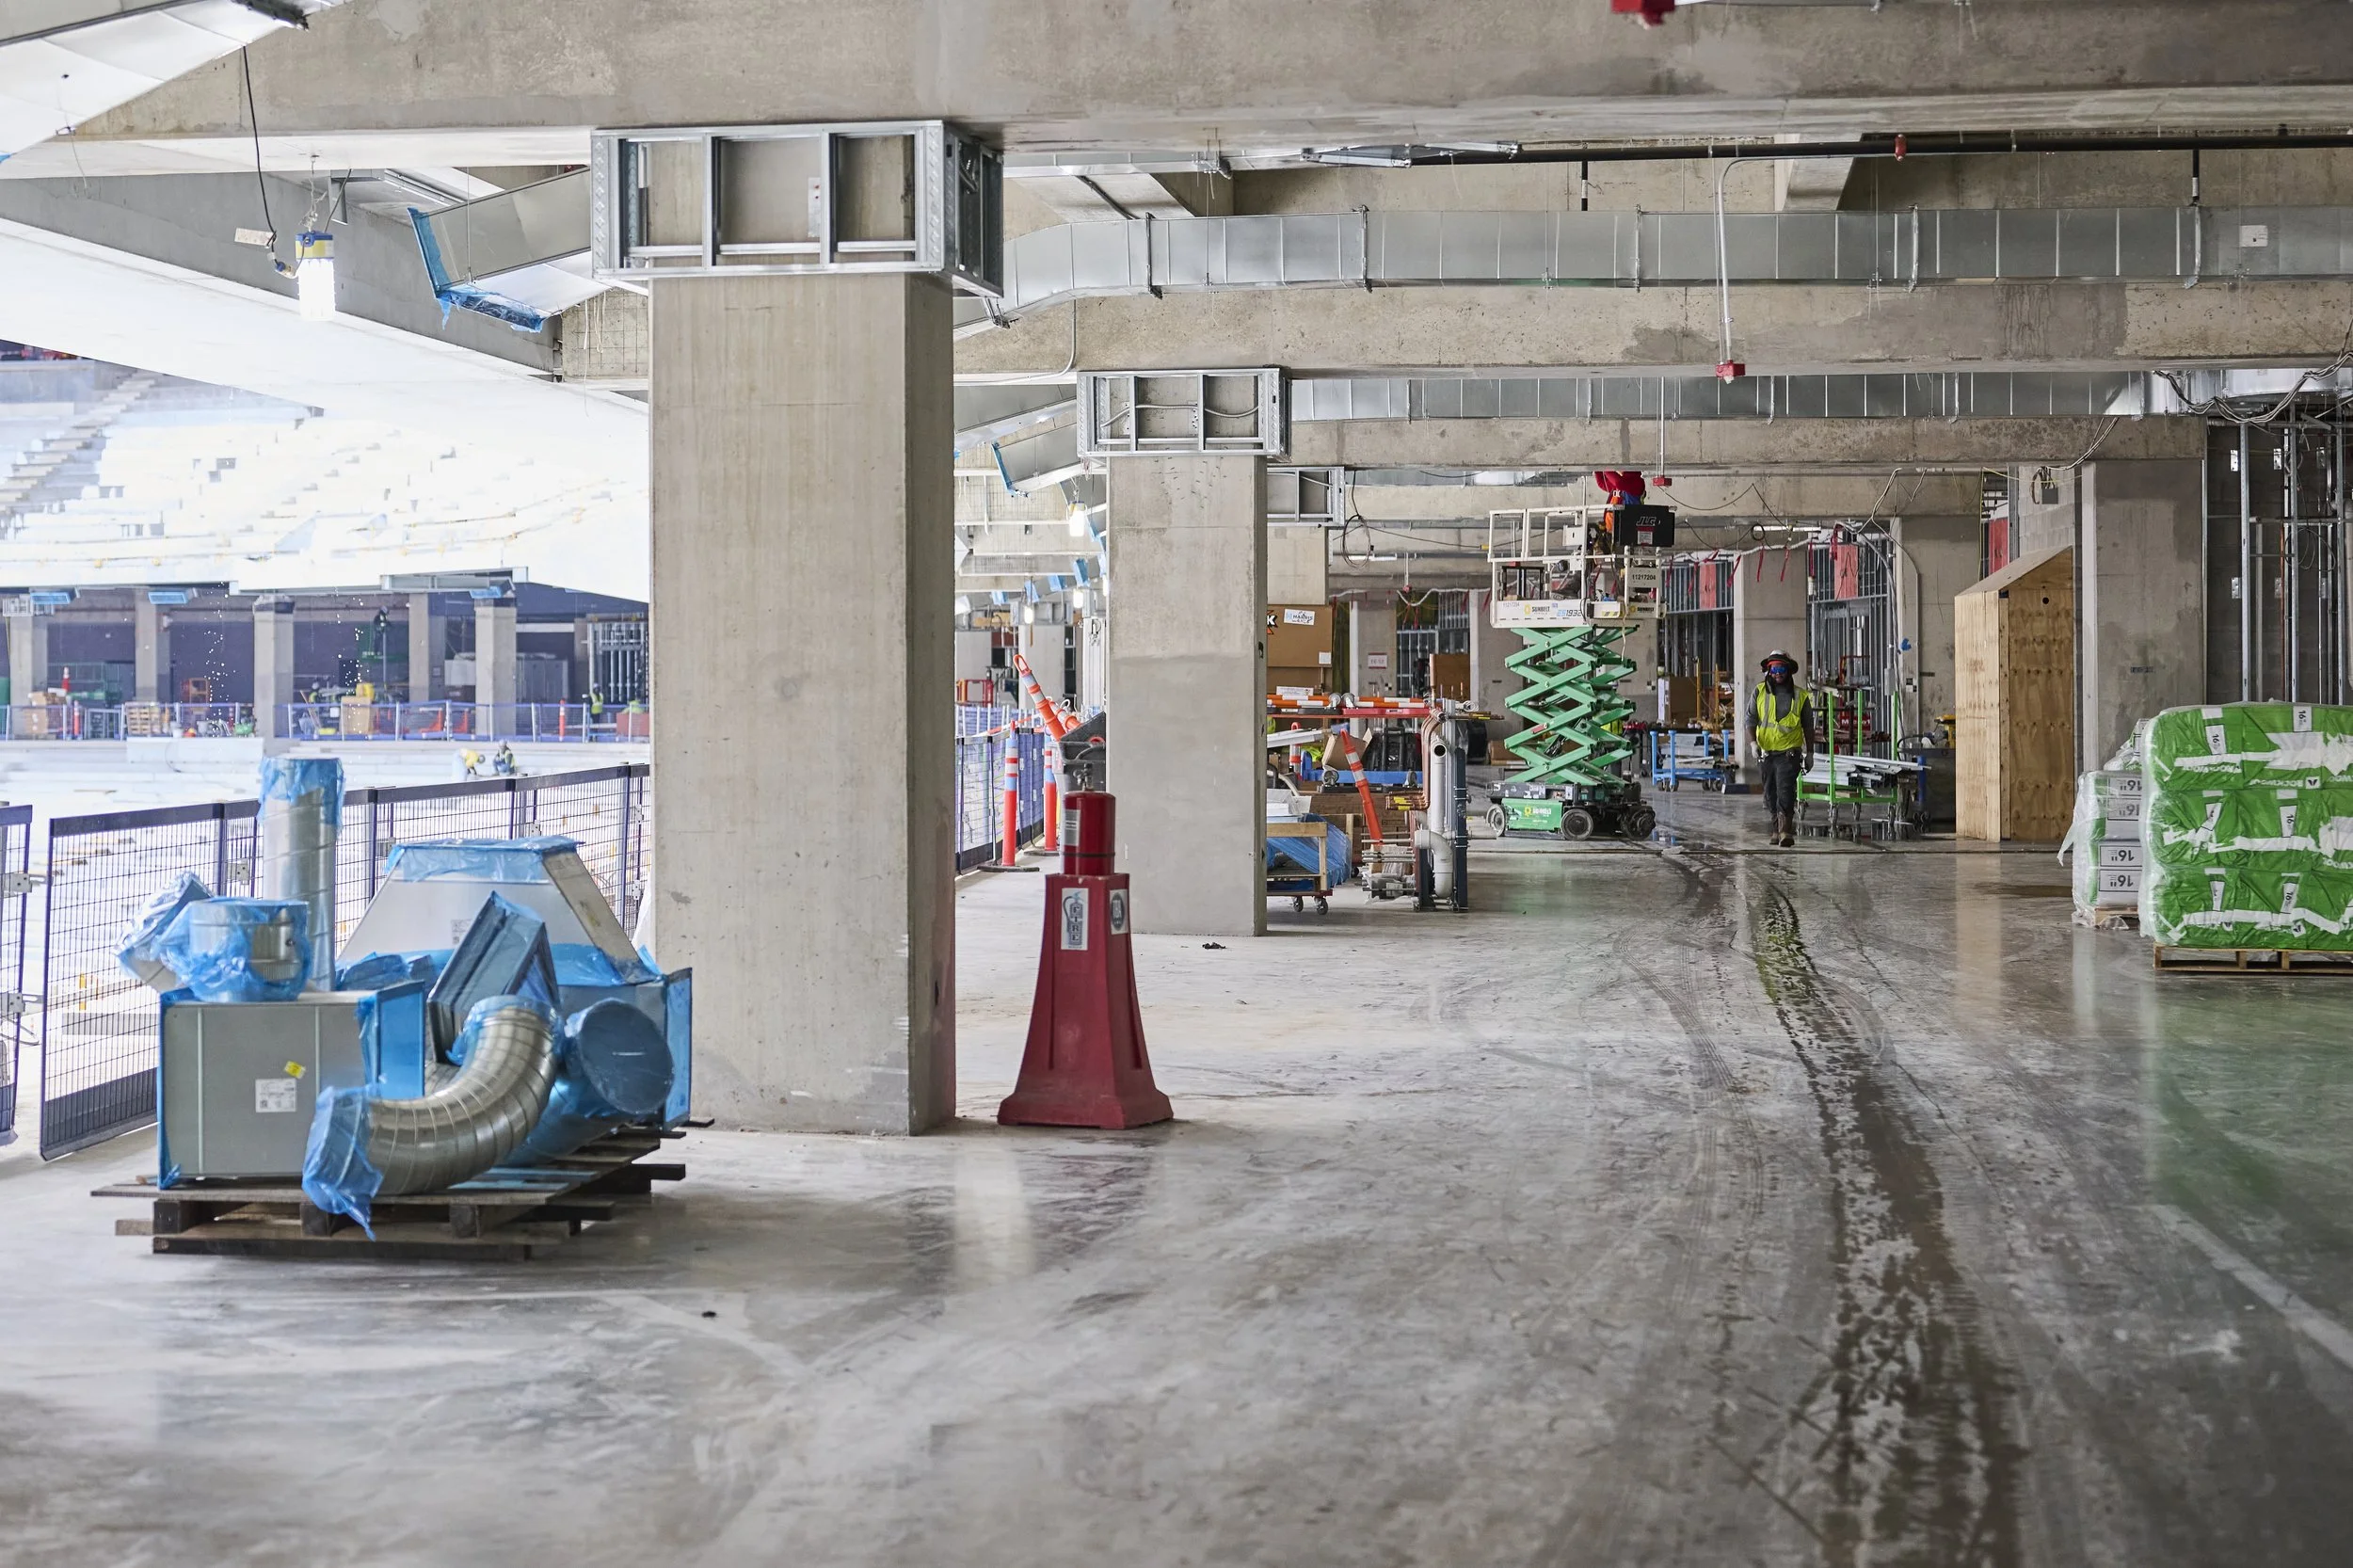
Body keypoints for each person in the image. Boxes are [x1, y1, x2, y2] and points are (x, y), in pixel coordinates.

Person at [1747, 650, 1815, 847]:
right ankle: (1776, 830)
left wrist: (1809, 753)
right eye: (1774, 669)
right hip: (1766, 753)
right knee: (1770, 794)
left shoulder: (1800, 696)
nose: (1778, 673)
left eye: (1781, 668)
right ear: (1768, 671)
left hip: (1789, 754)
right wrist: (1753, 743)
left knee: (1785, 792)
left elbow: (1808, 726)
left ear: (1788, 671)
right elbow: (1750, 719)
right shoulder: (1759, 692)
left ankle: (1786, 831)